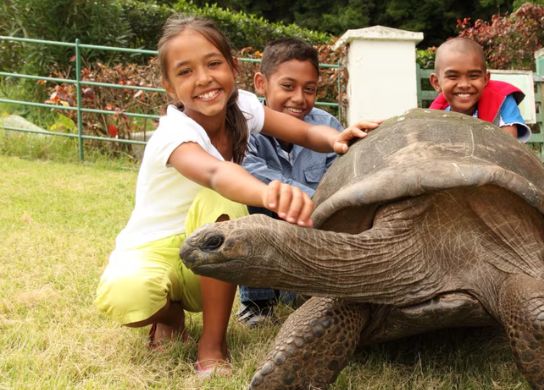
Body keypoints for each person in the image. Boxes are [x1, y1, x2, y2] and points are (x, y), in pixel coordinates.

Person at [94, 15, 378, 378]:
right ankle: (169, 312)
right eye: (185, 72)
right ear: (169, 87)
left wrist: (336, 138)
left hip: (209, 256)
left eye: (213, 64)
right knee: (128, 295)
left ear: (233, 67)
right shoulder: (174, 134)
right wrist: (267, 192)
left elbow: (304, 132)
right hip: (155, 248)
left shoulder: (242, 106)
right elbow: (216, 172)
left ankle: (212, 344)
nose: (204, 79)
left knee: (222, 207)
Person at [236, 38, 343, 327]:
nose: (299, 98)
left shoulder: (328, 126)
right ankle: (257, 303)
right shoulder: (244, 128)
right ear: (261, 83)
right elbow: (251, 174)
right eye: (288, 86)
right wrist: (307, 198)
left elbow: (340, 180)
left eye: (309, 89)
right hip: (271, 213)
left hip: (314, 226)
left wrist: (321, 204)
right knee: (253, 210)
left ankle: (313, 292)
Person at [428, 37, 531, 142]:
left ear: (485, 79)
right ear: (436, 82)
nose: (464, 85)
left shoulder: (501, 101)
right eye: (453, 77)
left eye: (473, 76)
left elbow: (507, 146)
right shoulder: (435, 115)